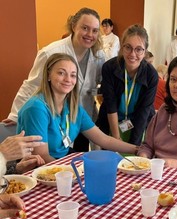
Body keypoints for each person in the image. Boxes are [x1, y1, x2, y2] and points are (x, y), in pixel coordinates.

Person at [3, 8, 106, 153]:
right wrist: (14, 116)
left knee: (78, 158)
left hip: (79, 117)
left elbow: (99, 84)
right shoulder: (51, 52)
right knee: (54, 155)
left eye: (95, 30)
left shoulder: (99, 56)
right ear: (74, 26)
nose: (90, 34)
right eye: (85, 28)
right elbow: (31, 85)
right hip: (54, 118)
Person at [17, 53, 137, 164]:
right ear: (48, 75)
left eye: (73, 75)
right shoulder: (37, 108)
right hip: (38, 168)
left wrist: (137, 149)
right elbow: (42, 157)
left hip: (62, 162)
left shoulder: (73, 108)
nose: (68, 79)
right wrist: (71, 174)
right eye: (61, 73)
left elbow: (103, 139)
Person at [96, 24, 158, 145]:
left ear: (145, 51)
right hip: (111, 121)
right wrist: (116, 140)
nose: (132, 54)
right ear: (121, 47)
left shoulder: (151, 75)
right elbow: (110, 104)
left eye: (139, 49)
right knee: (111, 157)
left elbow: (143, 112)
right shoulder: (109, 68)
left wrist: (133, 146)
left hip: (138, 123)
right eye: (128, 47)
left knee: (134, 157)